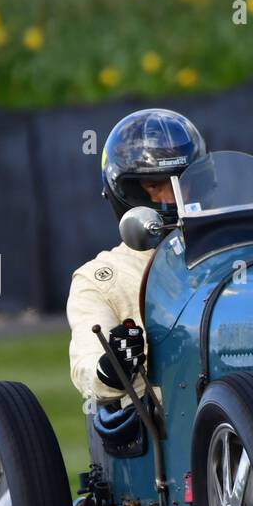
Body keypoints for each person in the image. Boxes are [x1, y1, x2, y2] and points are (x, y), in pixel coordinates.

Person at [67, 108, 205, 405]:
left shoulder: (232, 251)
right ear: (126, 191)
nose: (170, 199)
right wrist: (113, 364)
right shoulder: (99, 279)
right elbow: (87, 368)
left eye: (181, 183)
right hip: (163, 422)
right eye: (156, 186)